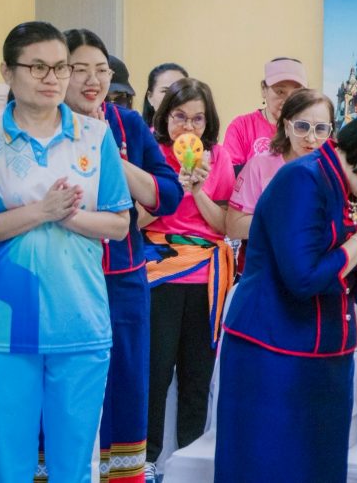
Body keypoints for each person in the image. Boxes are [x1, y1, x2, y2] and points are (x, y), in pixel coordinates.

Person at [214, 102, 357, 482]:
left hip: (330, 357)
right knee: (265, 469)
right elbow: (303, 278)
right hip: (273, 355)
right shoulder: (303, 179)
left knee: (321, 469)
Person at [0, 21, 132, 483]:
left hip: (82, 321)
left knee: (73, 469)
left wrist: (67, 217)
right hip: (7, 324)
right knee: (9, 468)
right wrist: (43, 210)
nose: (52, 78)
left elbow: (119, 224)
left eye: (60, 67)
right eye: (38, 67)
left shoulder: (95, 136)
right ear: (7, 71)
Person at [62, 30, 182, 483]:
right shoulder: (45, 127)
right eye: (80, 69)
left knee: (126, 384)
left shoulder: (126, 123)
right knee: (65, 387)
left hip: (122, 275)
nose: (93, 80)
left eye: (101, 70)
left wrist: (111, 150)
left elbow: (167, 194)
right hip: (63, 274)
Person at [143, 77, 235, 475]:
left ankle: (189, 463)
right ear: (165, 116)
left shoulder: (220, 157)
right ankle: (145, 461)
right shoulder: (152, 154)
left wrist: (197, 190)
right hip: (159, 273)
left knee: (198, 378)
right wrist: (173, 189)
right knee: (155, 373)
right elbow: (135, 220)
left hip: (207, 280)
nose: (188, 127)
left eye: (198, 119)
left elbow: (224, 225)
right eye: (180, 116)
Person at [225, 89, 335, 241]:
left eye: (321, 129)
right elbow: (234, 227)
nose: (311, 138)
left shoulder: (334, 171)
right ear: (287, 126)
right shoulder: (260, 166)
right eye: (302, 126)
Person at [221, 57, 307, 174]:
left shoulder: (311, 131)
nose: (289, 101)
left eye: (297, 93)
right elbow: (229, 175)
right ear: (263, 90)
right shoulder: (242, 126)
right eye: (280, 92)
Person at [141, 63, 188, 128]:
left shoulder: (198, 132)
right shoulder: (138, 133)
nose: (173, 96)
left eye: (180, 90)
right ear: (150, 97)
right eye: (165, 91)